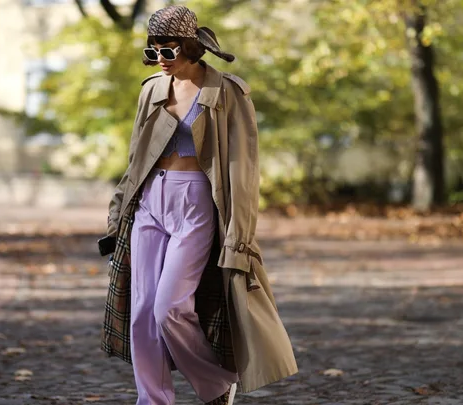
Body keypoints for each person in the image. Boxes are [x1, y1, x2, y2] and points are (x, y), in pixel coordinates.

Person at [99, 5, 298, 405]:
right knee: (141, 312)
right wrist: (118, 212)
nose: (160, 61)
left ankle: (217, 385)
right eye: (152, 52)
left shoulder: (227, 93)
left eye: (167, 51)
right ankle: (153, 400)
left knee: (170, 307)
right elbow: (136, 159)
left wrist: (240, 236)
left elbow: (243, 168)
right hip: (150, 201)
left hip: (195, 202)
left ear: (191, 47)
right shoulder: (151, 89)